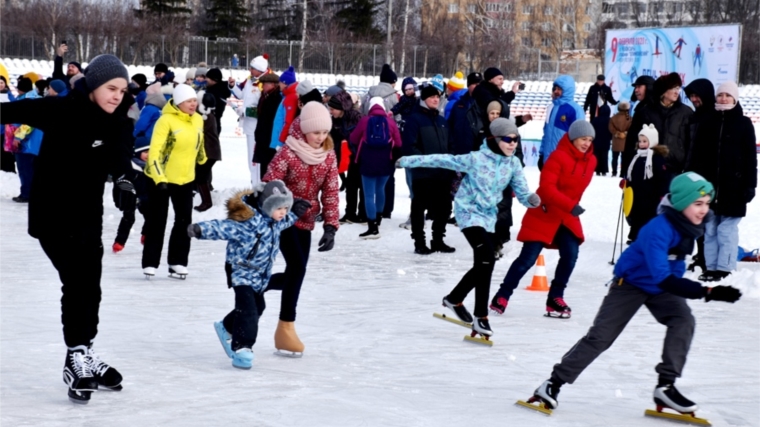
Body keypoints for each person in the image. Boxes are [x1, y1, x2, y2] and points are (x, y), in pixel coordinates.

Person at [527, 172, 742, 415]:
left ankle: (665, 386)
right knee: (601, 337)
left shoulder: (690, 225)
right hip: (631, 284)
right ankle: (552, 383)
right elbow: (662, 275)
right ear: (682, 203)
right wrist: (708, 291)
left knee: (683, 321)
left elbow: (669, 272)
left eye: (706, 203)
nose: (704, 210)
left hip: (661, 287)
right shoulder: (658, 229)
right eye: (697, 203)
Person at [0, 54, 136, 403]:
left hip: (89, 216)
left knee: (90, 286)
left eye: (122, 89)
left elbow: (121, 155)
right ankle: (76, 355)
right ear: (93, 86)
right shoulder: (60, 110)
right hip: (52, 216)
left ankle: (83, 351)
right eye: (111, 88)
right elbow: (12, 112)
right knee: (78, 280)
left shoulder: (118, 122)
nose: (117, 95)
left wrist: (124, 180)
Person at [400, 118, 540, 337]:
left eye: (516, 139)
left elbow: (522, 190)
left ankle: (454, 299)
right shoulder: (476, 159)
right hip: (468, 213)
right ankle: (480, 317)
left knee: (486, 263)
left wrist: (530, 199)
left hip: (489, 217)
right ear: (494, 140)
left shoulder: (513, 164)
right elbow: (441, 160)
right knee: (486, 257)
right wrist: (408, 160)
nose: (513, 144)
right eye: (508, 139)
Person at [189, 181, 310, 369]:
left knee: (258, 305)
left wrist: (296, 212)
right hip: (241, 271)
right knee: (248, 310)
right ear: (266, 206)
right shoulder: (247, 223)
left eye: (286, 207)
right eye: (280, 208)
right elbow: (223, 227)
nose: (283, 212)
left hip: (260, 276)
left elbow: (287, 221)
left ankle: (226, 327)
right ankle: (242, 348)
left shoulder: (275, 222)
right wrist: (201, 229)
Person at [490, 120, 597, 317]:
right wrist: (570, 205)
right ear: (573, 138)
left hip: (566, 215)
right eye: (583, 139)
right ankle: (502, 295)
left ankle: (555, 298)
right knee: (527, 259)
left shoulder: (591, 161)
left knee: (570, 254)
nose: (586, 143)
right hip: (545, 211)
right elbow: (547, 188)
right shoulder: (557, 157)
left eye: (590, 140)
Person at [262, 102, 340, 357]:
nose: (321, 138)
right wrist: (289, 201)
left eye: (324, 132)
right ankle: (286, 327)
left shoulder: (328, 155)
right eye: (316, 132)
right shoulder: (287, 153)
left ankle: (257, 285)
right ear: (305, 130)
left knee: (297, 272)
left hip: (306, 221)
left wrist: (331, 226)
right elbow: (269, 184)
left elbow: (330, 191)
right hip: (282, 219)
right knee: (296, 268)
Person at [689, 81, 757, 282]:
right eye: (720, 95)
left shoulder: (743, 123)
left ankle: (725, 268)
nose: (724, 98)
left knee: (726, 229)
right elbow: (697, 155)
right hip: (708, 188)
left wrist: (750, 185)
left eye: (728, 95)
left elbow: (750, 158)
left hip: (734, 188)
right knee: (710, 229)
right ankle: (710, 267)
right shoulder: (708, 122)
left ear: (735, 98)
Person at [142, 84, 207, 278]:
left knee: (184, 221)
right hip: (160, 177)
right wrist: (159, 178)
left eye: (194, 100)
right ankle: (150, 263)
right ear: (179, 103)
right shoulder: (166, 121)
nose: (193, 104)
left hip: (185, 178)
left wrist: (202, 161)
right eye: (189, 101)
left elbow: (199, 143)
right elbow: (155, 151)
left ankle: (177, 262)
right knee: (157, 221)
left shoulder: (197, 120)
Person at [402, 84, 455, 255]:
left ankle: (438, 240)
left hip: (443, 174)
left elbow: (450, 145)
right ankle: (419, 242)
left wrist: (450, 162)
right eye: (432, 97)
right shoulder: (414, 120)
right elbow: (410, 147)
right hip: (423, 174)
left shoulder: (442, 121)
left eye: (438, 97)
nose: (435, 99)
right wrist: (426, 162)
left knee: (445, 208)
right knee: (419, 208)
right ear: (424, 99)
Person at [349, 97, 402, 238]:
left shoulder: (364, 121)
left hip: (367, 162)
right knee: (380, 190)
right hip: (386, 162)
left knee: (368, 194)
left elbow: (353, 138)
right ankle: (378, 220)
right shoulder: (391, 122)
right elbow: (398, 143)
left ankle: (372, 227)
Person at [623, 73, 691, 175]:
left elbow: (691, 142)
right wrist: (627, 169)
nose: (677, 92)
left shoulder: (686, 112)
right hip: (649, 168)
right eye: (673, 88)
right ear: (663, 91)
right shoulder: (645, 112)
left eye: (678, 88)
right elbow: (632, 141)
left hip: (677, 169)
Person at [682, 78, 717, 274]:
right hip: (693, 174)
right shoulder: (695, 117)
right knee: (695, 217)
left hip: (708, 175)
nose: (694, 99)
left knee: (706, 218)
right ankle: (701, 254)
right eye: (691, 96)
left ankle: (707, 257)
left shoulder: (715, 117)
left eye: (697, 95)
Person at [229, 54, 270, 186]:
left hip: (258, 128)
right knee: (250, 160)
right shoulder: (249, 80)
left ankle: (258, 186)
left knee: (255, 160)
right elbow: (241, 95)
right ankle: (254, 184)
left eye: (253, 68)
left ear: (260, 70)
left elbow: (264, 108)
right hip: (248, 126)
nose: (250, 70)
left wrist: (245, 111)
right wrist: (233, 86)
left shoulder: (266, 84)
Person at [625, 124, 670, 242]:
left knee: (648, 217)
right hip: (637, 194)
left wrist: (662, 193)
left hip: (651, 196)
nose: (642, 144)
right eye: (640, 141)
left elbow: (663, 178)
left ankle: (647, 237)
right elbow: (632, 173)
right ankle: (636, 236)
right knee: (636, 216)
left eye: (645, 141)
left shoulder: (657, 158)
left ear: (653, 141)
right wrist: (626, 182)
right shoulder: (637, 157)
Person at [328, 91, 364, 224]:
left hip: (361, 155)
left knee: (362, 185)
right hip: (348, 156)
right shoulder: (334, 120)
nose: (331, 111)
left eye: (333, 109)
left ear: (341, 107)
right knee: (351, 185)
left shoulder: (357, 117)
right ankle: (350, 213)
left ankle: (363, 213)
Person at [6, 77, 43, 203]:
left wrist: (18, 137)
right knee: (31, 169)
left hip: (26, 142)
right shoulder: (36, 98)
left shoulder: (28, 100)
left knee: (25, 168)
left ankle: (27, 193)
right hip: (35, 142)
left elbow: (29, 122)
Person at [539, 75, 584, 170]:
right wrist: (541, 154)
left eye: (559, 89)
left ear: (567, 90)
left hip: (565, 161)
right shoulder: (551, 107)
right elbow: (546, 134)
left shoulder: (575, 110)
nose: (556, 91)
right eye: (555, 88)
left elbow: (580, 137)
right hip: (548, 160)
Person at [194, 91, 222, 212]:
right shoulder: (208, 115)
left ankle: (207, 202)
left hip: (209, 152)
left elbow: (197, 131)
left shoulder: (206, 117)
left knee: (200, 176)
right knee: (200, 175)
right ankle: (206, 200)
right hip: (210, 152)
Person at [253, 72, 282, 178]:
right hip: (263, 139)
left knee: (269, 169)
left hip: (269, 140)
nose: (263, 86)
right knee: (263, 169)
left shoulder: (276, 98)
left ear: (273, 85)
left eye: (265, 83)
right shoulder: (265, 97)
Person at [269, 66, 299, 150]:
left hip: (282, 142)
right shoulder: (287, 96)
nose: (279, 84)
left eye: (280, 82)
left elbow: (288, 122)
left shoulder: (290, 98)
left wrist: (280, 142)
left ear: (285, 83)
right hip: (281, 139)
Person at [205, 68, 231, 133]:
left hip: (212, 123)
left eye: (208, 77)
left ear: (214, 79)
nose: (206, 79)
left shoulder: (216, 92)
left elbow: (216, 110)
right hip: (212, 122)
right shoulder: (212, 89)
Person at [609, 101, 631, 177]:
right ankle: (623, 173)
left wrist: (617, 133)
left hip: (616, 140)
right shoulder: (630, 119)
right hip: (626, 141)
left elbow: (610, 128)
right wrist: (624, 133)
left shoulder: (613, 118)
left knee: (614, 157)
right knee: (624, 158)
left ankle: (614, 172)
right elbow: (631, 129)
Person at [0, 75, 16, 173]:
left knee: (6, 152)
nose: (0, 85)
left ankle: (8, 169)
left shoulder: (10, 95)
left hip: (6, 129)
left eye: (1, 82)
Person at [591, 103, 612, 176]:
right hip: (606, 140)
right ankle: (604, 170)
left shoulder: (596, 119)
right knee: (604, 156)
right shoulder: (610, 120)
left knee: (596, 155)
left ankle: (597, 169)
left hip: (596, 140)